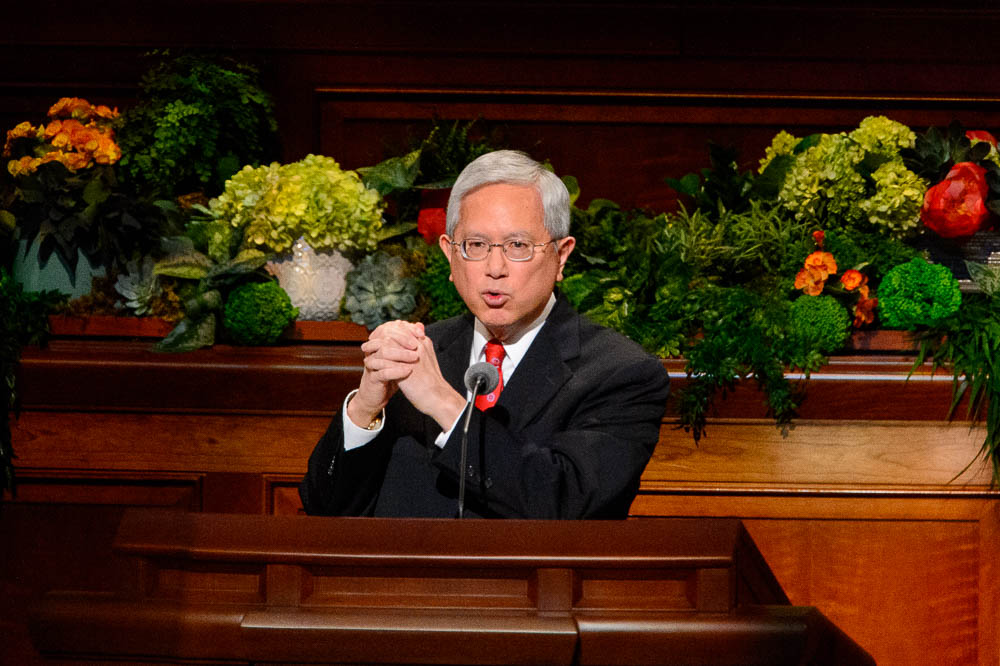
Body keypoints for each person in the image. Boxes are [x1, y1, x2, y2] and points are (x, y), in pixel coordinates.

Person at [299, 150, 670, 519]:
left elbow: (565, 502)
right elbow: (324, 510)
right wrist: (365, 409)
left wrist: (444, 403)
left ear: (561, 256)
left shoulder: (622, 373)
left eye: (518, 246)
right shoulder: (416, 354)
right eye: (475, 245)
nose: (495, 268)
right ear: (449, 254)